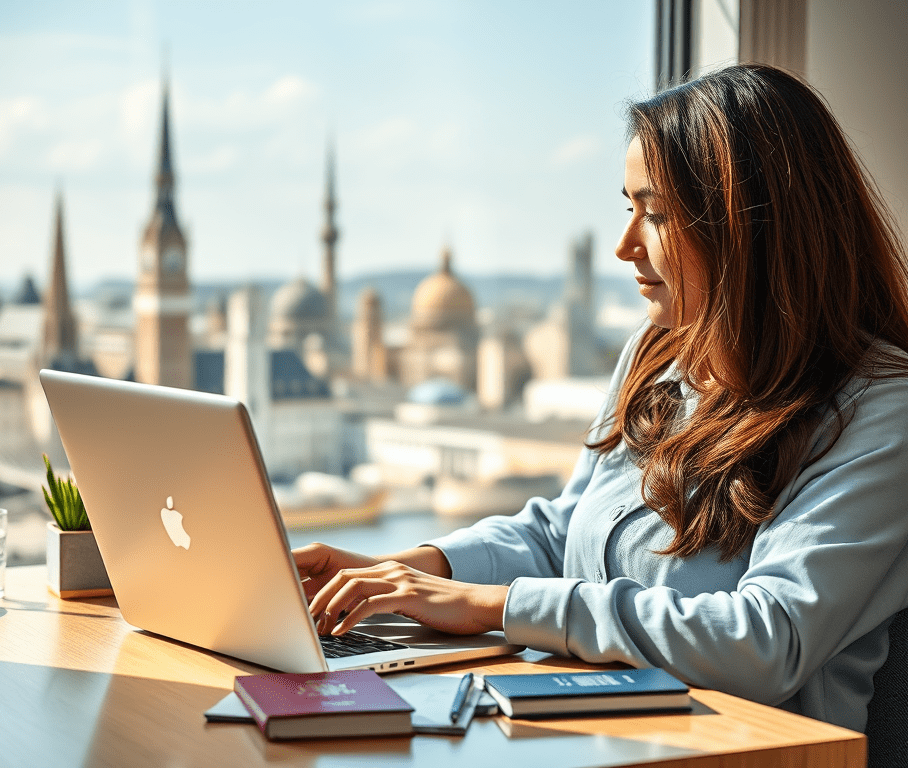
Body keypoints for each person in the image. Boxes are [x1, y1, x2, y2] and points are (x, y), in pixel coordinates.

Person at [294, 63, 908, 733]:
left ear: (749, 229)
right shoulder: (657, 357)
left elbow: (768, 639)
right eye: (628, 207)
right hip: (598, 727)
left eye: (657, 214)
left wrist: (490, 605)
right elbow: (565, 530)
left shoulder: (880, 411)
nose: (624, 246)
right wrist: (407, 572)